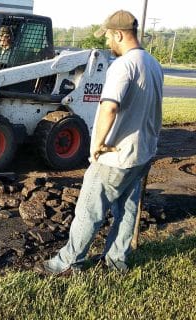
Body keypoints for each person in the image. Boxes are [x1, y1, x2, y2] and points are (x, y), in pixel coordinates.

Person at [42, 10, 164, 274]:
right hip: (142, 152)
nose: (108, 42)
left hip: (115, 155)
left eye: (109, 36)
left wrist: (96, 145)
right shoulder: (153, 63)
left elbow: (109, 107)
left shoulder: (123, 65)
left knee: (89, 210)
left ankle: (68, 263)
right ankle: (116, 260)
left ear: (119, 34)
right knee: (127, 210)